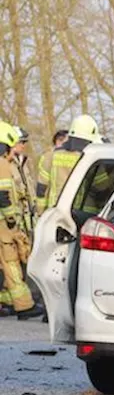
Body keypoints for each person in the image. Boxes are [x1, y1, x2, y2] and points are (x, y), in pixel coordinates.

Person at [0, 122, 43, 319]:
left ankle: (8, 301)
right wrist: (11, 219)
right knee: (11, 263)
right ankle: (24, 306)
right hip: (4, 226)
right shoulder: (2, 165)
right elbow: (4, 196)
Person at [37, 114, 102, 213]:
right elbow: (102, 188)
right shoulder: (92, 158)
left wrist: (41, 213)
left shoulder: (50, 156)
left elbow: (41, 189)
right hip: (84, 215)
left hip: (55, 212)